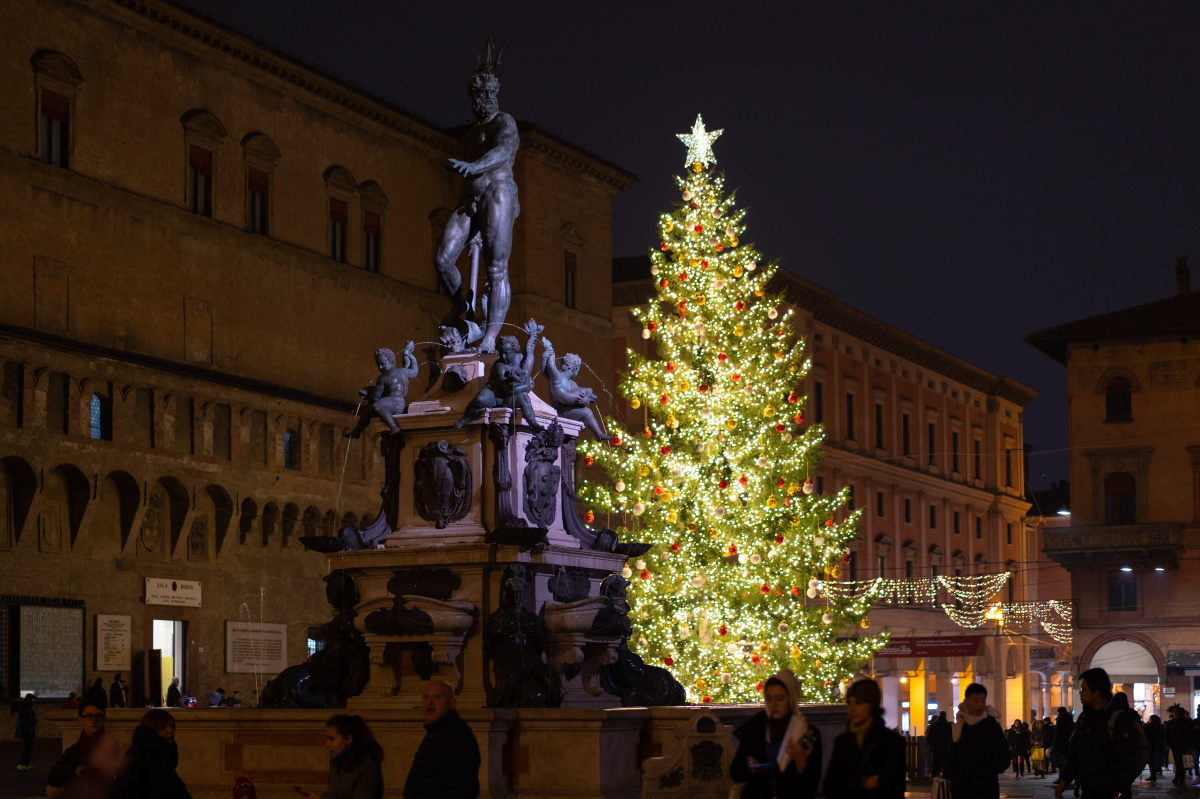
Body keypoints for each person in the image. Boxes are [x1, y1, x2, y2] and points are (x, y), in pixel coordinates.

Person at [434, 39, 521, 354]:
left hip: (498, 192)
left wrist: (474, 166)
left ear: (493, 95)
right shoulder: (469, 135)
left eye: (483, 95)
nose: (478, 101)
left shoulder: (504, 122)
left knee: (495, 267)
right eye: (474, 96)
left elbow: (503, 151)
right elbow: (464, 174)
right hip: (470, 200)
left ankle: (490, 336)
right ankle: (463, 311)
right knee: (443, 260)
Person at [1053, 667, 1147, 799]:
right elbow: (1075, 752)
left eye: (1084, 689)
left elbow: (1126, 761)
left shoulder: (1119, 719)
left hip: (1111, 791)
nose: (1080, 693)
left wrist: (1120, 792)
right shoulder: (1084, 718)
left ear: (1096, 693)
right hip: (1089, 789)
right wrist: (1064, 780)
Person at [729, 668, 822, 798]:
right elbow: (735, 772)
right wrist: (751, 767)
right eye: (769, 698)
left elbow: (811, 785)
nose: (773, 705)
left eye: (779, 699)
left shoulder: (807, 733)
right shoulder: (757, 728)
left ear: (791, 699)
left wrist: (801, 763)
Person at [822, 678, 906, 798]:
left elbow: (894, 788)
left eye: (858, 703)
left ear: (872, 705)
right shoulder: (842, 741)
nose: (852, 708)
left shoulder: (891, 742)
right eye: (849, 703)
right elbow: (829, 786)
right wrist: (863, 782)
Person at [454, 320, 544, 430]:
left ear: (515, 351)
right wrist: (527, 386)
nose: (503, 356)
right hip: (494, 394)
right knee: (480, 400)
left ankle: (533, 424)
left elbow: (529, 349)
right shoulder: (500, 366)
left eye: (507, 353)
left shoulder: (520, 358)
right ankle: (465, 418)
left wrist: (532, 335)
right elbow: (508, 390)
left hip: (507, 399)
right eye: (501, 352)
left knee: (524, 399)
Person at [403, 681, 480, 798]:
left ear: (452, 703)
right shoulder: (438, 733)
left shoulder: (455, 736)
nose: (430, 702)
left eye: (438, 697)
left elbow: (461, 788)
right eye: (426, 697)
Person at [108, 709, 191, 799]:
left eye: (171, 725)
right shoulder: (139, 754)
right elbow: (122, 788)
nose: (170, 730)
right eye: (163, 727)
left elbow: (175, 787)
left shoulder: (164, 752)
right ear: (152, 729)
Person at [946, 683, 1009, 799]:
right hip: (961, 789)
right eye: (975, 701)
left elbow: (1004, 758)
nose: (979, 705)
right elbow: (950, 755)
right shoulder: (959, 726)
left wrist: (984, 772)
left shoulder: (992, 727)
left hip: (986, 789)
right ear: (966, 702)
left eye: (983, 701)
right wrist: (952, 775)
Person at [47, 701, 122, 799]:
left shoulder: (108, 744)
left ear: (104, 719)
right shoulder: (76, 748)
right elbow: (53, 778)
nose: (94, 720)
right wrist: (75, 769)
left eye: (98, 716)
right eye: (88, 716)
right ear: (80, 720)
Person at [297, 714, 383, 799]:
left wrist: (320, 798)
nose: (327, 744)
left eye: (332, 739)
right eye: (327, 739)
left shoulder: (367, 766)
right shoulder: (338, 763)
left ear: (348, 739)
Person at [344, 343, 419, 438]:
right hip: (400, 404)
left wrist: (367, 394)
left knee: (376, 406)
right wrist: (410, 355)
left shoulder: (383, 377)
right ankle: (356, 432)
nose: (380, 367)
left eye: (383, 364)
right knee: (366, 411)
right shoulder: (403, 371)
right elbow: (415, 371)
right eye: (378, 365)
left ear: (391, 362)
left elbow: (375, 398)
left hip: (391, 404)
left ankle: (394, 427)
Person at [540, 339, 607, 441]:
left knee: (586, 410)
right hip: (560, 411)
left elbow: (576, 399)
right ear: (575, 369)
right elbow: (548, 367)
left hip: (568, 410)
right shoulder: (557, 377)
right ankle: (599, 434)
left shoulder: (572, 383)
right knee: (587, 412)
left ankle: (599, 434)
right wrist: (549, 350)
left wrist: (585, 401)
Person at [1166, 704, 1191, 785]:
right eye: (1173, 711)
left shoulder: (1184, 721)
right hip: (1174, 744)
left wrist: (1188, 746)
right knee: (1177, 762)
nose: (1175, 713)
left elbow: (1187, 733)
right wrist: (1167, 744)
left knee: (1180, 761)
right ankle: (1179, 778)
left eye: (1176, 711)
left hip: (1182, 744)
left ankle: (1179, 778)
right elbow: (1168, 734)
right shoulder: (1170, 722)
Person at [925, 710, 950, 779]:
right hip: (945, 747)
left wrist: (932, 745)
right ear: (945, 716)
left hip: (936, 747)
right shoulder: (948, 725)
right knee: (945, 763)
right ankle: (945, 778)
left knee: (935, 763)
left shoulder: (933, 725)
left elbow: (929, 737)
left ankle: (934, 777)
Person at [1050, 706, 1074, 777]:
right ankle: (1067, 775)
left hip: (1060, 742)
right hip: (1068, 742)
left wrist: (1055, 743)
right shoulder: (1070, 718)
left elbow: (1058, 732)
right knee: (1067, 759)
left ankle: (1062, 777)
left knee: (1060, 760)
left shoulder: (1060, 719)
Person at [15, 693, 36, 771]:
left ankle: (26, 763)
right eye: (33, 699)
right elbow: (24, 720)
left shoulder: (28, 707)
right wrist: (27, 728)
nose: (34, 700)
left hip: (28, 730)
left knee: (29, 747)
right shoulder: (24, 707)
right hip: (26, 730)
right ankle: (21, 764)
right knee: (28, 747)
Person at [1144, 713, 1165, 782]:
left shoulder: (1148, 726)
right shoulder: (1161, 727)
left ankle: (1153, 775)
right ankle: (1158, 771)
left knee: (1151, 760)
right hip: (1159, 745)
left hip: (1150, 745)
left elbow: (1145, 734)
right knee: (1158, 758)